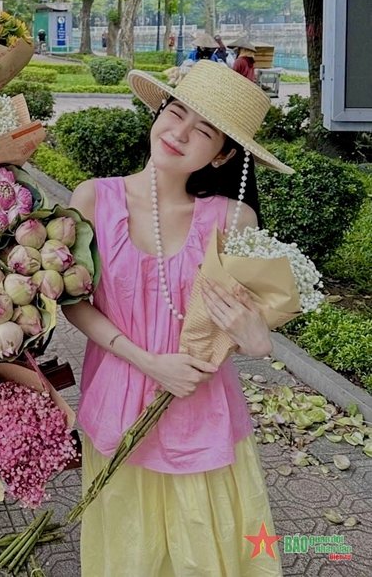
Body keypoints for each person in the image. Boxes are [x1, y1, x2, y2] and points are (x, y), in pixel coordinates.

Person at [65, 60, 291, 576]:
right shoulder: (92, 198)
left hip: (200, 407)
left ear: (224, 153)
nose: (180, 133)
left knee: (207, 547)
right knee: (129, 547)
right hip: (119, 403)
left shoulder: (233, 220)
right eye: (176, 112)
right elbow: (73, 300)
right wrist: (146, 361)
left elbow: (251, 319)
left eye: (203, 131)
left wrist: (258, 338)